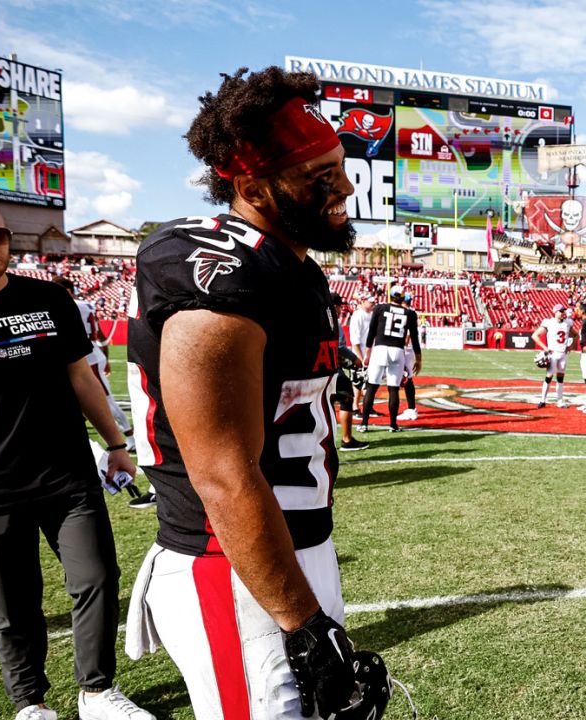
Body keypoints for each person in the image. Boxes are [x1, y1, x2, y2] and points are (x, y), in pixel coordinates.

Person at [122, 66, 391, 719]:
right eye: (319, 176)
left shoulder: (291, 268)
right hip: (231, 563)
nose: (345, 186)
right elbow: (221, 474)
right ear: (251, 187)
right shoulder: (219, 272)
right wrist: (301, 622)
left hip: (293, 548)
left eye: (340, 167)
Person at [0, 206, 154, 720]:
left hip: (67, 475)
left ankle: (97, 692)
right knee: (13, 605)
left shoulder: (47, 297)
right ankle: (30, 703)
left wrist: (118, 444)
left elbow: (82, 378)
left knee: (98, 578)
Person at [50, 277, 156, 509]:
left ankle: (128, 438)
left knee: (104, 400)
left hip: (85, 355)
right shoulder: (77, 306)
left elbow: (93, 336)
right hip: (86, 354)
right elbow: (99, 336)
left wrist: (103, 358)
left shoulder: (71, 306)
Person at [359, 285, 421, 433]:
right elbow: (414, 338)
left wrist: (367, 353)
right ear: (402, 297)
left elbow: (372, 332)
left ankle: (364, 423)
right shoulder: (410, 313)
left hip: (380, 349)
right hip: (397, 351)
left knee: (372, 387)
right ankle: (393, 425)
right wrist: (419, 359)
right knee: (393, 389)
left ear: (391, 296)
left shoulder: (380, 308)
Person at [331, 293, 369, 451]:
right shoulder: (331, 320)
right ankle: (347, 439)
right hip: (331, 369)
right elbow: (338, 348)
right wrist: (355, 360)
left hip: (315, 370)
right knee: (346, 398)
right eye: (339, 306)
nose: (341, 310)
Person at [531, 303, 577, 409]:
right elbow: (535, 335)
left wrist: (571, 347)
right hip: (553, 354)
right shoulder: (549, 323)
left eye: (563, 311)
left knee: (560, 378)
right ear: (555, 312)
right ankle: (542, 400)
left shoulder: (568, 323)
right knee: (549, 377)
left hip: (563, 354)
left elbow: (576, 335)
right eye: (561, 311)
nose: (563, 313)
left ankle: (560, 401)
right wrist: (545, 348)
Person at [347, 294, 375, 419]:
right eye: (370, 302)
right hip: (359, 354)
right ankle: (355, 407)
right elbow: (355, 340)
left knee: (369, 381)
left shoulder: (371, 315)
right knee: (357, 381)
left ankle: (368, 407)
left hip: (369, 354)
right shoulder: (358, 315)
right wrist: (360, 357)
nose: (373, 304)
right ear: (363, 301)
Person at [397, 291, 422, 422]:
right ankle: (411, 408)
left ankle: (411, 409)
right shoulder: (411, 312)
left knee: (405, 379)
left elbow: (407, 334)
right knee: (406, 378)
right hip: (408, 350)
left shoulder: (405, 313)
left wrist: (403, 345)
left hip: (404, 350)